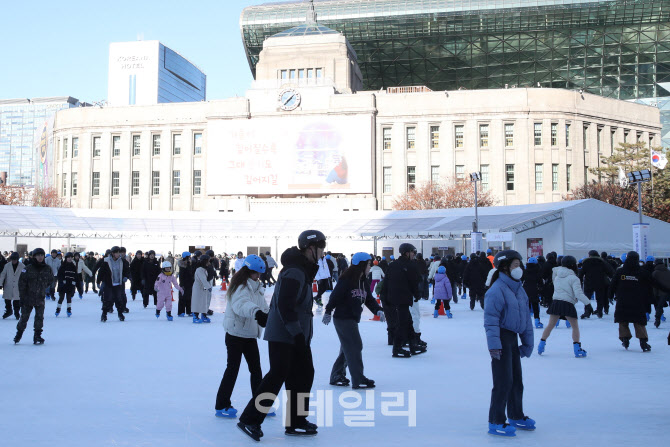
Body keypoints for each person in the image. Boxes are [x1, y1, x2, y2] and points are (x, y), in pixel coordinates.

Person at [237, 230, 325, 441]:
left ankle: (296, 421)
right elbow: (285, 306)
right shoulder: (294, 271)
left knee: (302, 375)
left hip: (294, 333)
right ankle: (250, 419)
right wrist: (296, 334)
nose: (323, 253)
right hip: (284, 334)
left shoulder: (302, 269)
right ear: (310, 248)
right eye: (321, 248)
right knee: (278, 375)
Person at [484, 250, 535, 437]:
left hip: (512, 337)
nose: (519, 268)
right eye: (515, 265)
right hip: (501, 338)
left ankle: (516, 415)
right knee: (503, 382)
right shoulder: (496, 290)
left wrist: (527, 342)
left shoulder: (518, 288)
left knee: (516, 381)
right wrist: (495, 346)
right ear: (504, 267)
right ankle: (496, 421)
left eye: (519, 265)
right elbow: (490, 321)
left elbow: (525, 318)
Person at [215, 255, 270, 418]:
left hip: (249, 334)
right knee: (232, 369)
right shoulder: (241, 286)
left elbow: (263, 306)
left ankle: (259, 405)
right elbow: (241, 305)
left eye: (260, 274)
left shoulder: (256, 286)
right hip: (235, 334)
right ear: (248, 271)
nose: (258, 276)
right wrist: (257, 313)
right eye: (256, 273)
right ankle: (222, 405)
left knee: (256, 370)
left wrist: (269, 315)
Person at [323, 252, 384, 389]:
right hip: (343, 318)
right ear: (361, 265)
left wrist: (378, 310)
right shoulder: (346, 280)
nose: (370, 267)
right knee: (355, 346)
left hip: (351, 318)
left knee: (347, 348)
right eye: (368, 264)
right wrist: (328, 311)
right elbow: (335, 296)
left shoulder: (363, 281)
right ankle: (358, 379)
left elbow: (369, 299)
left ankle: (337, 375)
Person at [537, 256, 593, 357]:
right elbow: (578, 294)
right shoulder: (574, 278)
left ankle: (541, 344)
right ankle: (577, 349)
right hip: (567, 303)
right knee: (575, 327)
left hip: (556, 302)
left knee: (550, 325)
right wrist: (588, 303)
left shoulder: (557, 275)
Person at [382, 243, 425, 358]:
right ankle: (397, 348)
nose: (414, 254)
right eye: (412, 252)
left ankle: (412, 345)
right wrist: (417, 294)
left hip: (394, 297)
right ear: (407, 253)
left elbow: (386, 281)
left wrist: (385, 296)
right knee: (402, 323)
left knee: (408, 320)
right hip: (403, 298)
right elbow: (415, 282)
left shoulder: (392, 264)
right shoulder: (410, 265)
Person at [610, 251, 659, 352]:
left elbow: (613, 284)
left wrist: (610, 295)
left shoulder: (620, 272)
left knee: (623, 320)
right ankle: (643, 341)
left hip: (623, 300)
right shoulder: (642, 272)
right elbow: (653, 284)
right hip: (638, 300)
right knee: (639, 321)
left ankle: (625, 338)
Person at [14, 248, 54, 344]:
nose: (40, 257)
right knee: (24, 317)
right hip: (28, 298)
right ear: (34, 256)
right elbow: (21, 284)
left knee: (39, 317)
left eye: (42, 255)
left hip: (40, 297)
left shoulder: (47, 268)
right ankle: (19, 333)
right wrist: (22, 297)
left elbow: (50, 280)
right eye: (38, 255)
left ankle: (37, 335)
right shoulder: (27, 269)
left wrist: (43, 287)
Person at [97, 246, 130, 322]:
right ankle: (104, 314)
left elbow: (127, 270)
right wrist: (98, 282)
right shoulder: (106, 261)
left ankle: (120, 314)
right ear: (112, 253)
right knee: (107, 299)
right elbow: (101, 272)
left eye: (119, 252)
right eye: (117, 252)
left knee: (119, 299)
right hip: (109, 283)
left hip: (118, 283)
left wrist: (126, 277)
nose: (118, 254)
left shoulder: (122, 261)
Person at [579, 250, 615, 318]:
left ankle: (587, 311)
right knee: (600, 298)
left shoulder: (586, 262)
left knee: (587, 298)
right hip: (600, 283)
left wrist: (580, 282)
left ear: (589, 255)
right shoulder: (602, 262)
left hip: (588, 283)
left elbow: (581, 273)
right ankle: (599, 311)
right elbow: (610, 272)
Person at [522, 257, 544, 328]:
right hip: (534, 290)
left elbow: (521, 280)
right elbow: (540, 282)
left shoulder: (525, 271)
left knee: (526, 306)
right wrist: (541, 289)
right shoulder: (537, 271)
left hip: (526, 290)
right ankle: (537, 321)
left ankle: (526, 322)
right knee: (535, 306)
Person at [1, 252, 23, 320]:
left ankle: (17, 312)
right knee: (7, 299)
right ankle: (8, 311)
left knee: (17, 301)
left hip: (18, 285)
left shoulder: (22, 266)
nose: (13, 261)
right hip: (8, 284)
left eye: (15, 259)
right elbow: (3, 275)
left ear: (17, 259)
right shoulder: (7, 265)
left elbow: (25, 276)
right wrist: (0, 283)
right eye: (12, 259)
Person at [191, 254, 213, 323]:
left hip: (203, 288)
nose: (209, 263)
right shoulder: (199, 270)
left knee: (204, 302)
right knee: (197, 302)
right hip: (198, 288)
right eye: (208, 261)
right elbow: (203, 279)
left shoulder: (204, 269)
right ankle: (195, 316)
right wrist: (208, 286)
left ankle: (204, 315)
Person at [55, 252, 78, 317]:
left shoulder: (73, 266)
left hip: (70, 285)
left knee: (69, 298)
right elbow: (59, 275)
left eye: (71, 257)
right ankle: (58, 309)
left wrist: (75, 283)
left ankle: (69, 309)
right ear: (66, 258)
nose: (70, 259)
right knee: (61, 297)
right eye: (68, 257)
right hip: (63, 285)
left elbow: (75, 275)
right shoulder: (63, 266)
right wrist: (61, 282)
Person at [651, 258, 670, 328]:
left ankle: (657, 320)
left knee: (659, 307)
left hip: (662, 293)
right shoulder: (668, 271)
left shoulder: (655, 273)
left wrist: (655, 295)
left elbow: (654, 286)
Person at [177, 252, 194, 317]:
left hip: (190, 284)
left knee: (189, 298)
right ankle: (181, 311)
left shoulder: (189, 264)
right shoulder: (182, 265)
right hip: (184, 284)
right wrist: (182, 285)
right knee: (182, 298)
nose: (190, 258)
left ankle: (189, 311)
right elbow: (181, 276)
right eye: (189, 256)